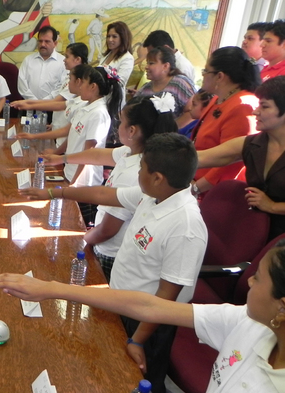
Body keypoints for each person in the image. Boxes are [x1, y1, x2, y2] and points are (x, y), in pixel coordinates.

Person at [0, 237, 285, 393]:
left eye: (258, 279)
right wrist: (51, 289)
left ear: (281, 307)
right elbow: (149, 306)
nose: (249, 283)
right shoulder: (247, 322)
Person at [18, 133, 207, 393]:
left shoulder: (186, 226)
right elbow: (104, 195)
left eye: (141, 168)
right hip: (119, 302)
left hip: (147, 322)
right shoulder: (153, 196)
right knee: (112, 377)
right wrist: (54, 193)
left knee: (140, 387)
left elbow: (167, 296)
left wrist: (138, 340)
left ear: (157, 178)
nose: (137, 173)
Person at [60, 94, 178, 280]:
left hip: (110, 252)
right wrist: (61, 158)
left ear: (132, 131)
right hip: (103, 240)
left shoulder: (135, 173)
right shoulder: (132, 152)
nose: (117, 126)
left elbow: (108, 230)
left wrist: (82, 239)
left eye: (121, 122)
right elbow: (98, 155)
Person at [16, 64, 123, 226]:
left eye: (83, 82)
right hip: (71, 172)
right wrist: (57, 153)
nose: (79, 86)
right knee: (66, 219)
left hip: (84, 181)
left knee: (77, 224)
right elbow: (72, 135)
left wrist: (75, 183)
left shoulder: (98, 113)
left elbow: (90, 153)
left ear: (93, 87)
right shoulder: (85, 106)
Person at [197, 76, 285, 240]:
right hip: (255, 233)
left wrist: (273, 206)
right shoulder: (252, 144)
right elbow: (201, 158)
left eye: (264, 106)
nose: (255, 111)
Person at [191, 46, 261, 195]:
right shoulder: (219, 98)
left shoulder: (243, 106)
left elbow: (231, 161)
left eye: (206, 71)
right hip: (195, 179)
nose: (203, 75)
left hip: (216, 192)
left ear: (220, 76)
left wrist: (195, 188)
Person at [11, 42, 88, 149]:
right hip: (60, 128)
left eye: (67, 57)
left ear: (77, 59)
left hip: (67, 136)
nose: (64, 60)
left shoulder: (77, 83)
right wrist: (54, 124)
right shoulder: (69, 77)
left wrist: (28, 104)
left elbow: (57, 103)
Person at [135, 46, 196, 117]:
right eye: (147, 63)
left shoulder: (179, 84)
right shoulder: (145, 88)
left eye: (151, 63)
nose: (146, 67)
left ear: (165, 66)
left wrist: (174, 124)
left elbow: (192, 112)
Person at [17, 26, 66, 102]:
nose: (42, 44)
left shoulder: (63, 62)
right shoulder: (28, 60)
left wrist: (43, 103)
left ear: (55, 43)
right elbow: (22, 84)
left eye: (47, 41)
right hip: (29, 104)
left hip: (52, 105)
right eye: (40, 41)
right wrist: (35, 102)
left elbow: (62, 86)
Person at [99, 21, 134, 89]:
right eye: (108, 36)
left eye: (114, 37)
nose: (110, 39)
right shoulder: (105, 55)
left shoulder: (127, 58)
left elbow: (120, 83)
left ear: (123, 38)